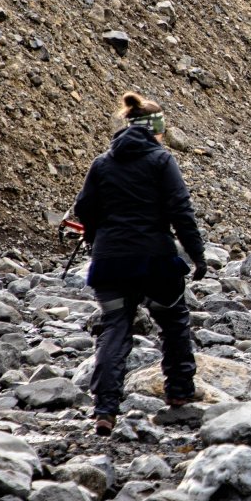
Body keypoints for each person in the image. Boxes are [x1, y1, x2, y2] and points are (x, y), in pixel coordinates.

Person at [73, 91, 207, 435]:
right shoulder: (162, 161)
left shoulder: (102, 162)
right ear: (155, 129)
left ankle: (105, 409)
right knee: (173, 319)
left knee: (114, 327)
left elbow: (84, 209)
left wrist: (94, 238)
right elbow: (181, 210)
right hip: (155, 260)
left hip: (110, 262)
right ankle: (178, 394)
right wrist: (197, 255)